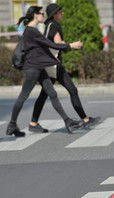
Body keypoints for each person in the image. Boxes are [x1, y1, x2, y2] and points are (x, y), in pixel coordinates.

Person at [6, 6, 83, 137]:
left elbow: (42, 49)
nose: (43, 16)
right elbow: (50, 44)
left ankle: (67, 121)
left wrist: (54, 60)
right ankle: (12, 125)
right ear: (36, 15)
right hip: (32, 69)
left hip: (38, 67)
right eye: (41, 14)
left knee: (52, 93)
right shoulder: (31, 31)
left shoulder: (32, 31)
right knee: (23, 96)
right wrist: (71, 45)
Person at [28, 3, 100, 133]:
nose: (63, 14)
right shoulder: (53, 25)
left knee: (44, 95)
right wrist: (73, 45)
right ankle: (85, 120)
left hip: (49, 66)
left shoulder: (50, 25)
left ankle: (33, 123)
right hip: (53, 66)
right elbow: (58, 44)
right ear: (55, 14)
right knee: (72, 90)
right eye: (61, 12)